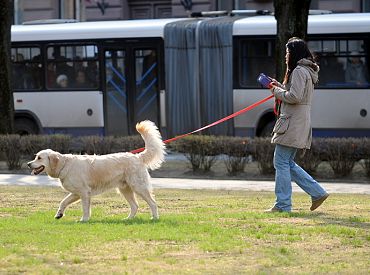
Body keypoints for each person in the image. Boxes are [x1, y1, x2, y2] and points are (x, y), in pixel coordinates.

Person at [266, 37, 329, 213]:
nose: (286, 55)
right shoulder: (304, 70)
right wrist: (278, 86)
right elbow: (294, 93)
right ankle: (317, 193)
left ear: (294, 53)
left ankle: (283, 204)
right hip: (297, 120)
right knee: (287, 162)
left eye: (287, 52)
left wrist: (275, 91)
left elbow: (294, 97)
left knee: (281, 161)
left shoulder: (299, 71)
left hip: (293, 121)